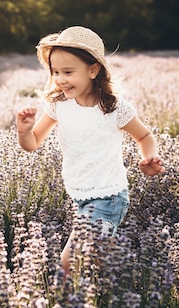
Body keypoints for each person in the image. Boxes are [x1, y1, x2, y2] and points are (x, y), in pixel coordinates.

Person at [16, 26, 165, 275]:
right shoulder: (58, 105)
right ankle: (122, 286)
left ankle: (61, 298)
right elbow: (32, 143)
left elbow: (144, 135)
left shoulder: (114, 108)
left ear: (93, 70)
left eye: (68, 72)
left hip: (109, 197)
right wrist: (23, 131)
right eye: (55, 72)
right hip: (79, 196)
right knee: (96, 263)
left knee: (68, 263)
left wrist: (148, 159)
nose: (60, 79)